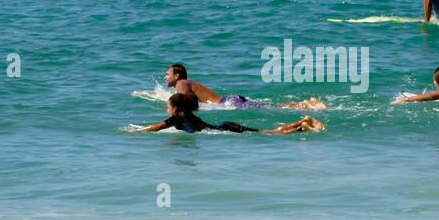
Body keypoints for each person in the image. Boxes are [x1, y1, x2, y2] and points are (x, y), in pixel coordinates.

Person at [137, 93, 325, 134]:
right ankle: (302, 123)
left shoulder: (177, 117)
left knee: (268, 133)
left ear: (174, 108)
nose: (167, 109)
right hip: (225, 126)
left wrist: (137, 131)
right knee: (266, 131)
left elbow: (157, 127)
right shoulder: (185, 115)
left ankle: (303, 124)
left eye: (168, 106)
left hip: (226, 129)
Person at [163, 64, 326, 109]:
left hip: (227, 103)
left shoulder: (182, 83)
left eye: (167, 74)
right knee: (269, 107)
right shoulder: (188, 83)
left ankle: (305, 105)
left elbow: (182, 97)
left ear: (176, 76)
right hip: (230, 100)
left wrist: (173, 104)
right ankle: (304, 104)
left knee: (273, 108)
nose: (165, 77)